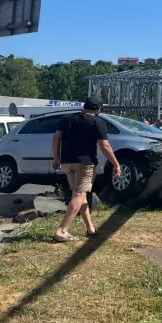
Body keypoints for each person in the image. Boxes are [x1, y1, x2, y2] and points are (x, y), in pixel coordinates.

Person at [52, 96, 121, 242]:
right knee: (78, 196)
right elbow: (105, 146)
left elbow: (56, 138)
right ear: (98, 109)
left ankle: (90, 229)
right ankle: (62, 230)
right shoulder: (97, 122)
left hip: (67, 162)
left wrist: (56, 158)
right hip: (86, 163)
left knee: (80, 195)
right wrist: (116, 164)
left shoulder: (67, 119)